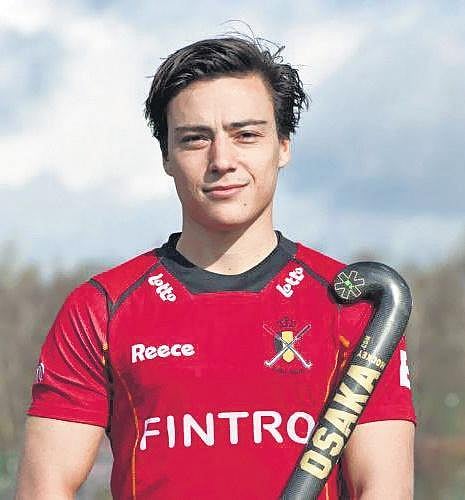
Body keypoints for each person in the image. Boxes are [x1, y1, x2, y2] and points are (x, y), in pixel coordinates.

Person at [16, 35, 415, 499]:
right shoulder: (101, 309)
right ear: (166, 156)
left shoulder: (354, 308)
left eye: (246, 135)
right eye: (195, 139)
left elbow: (382, 488)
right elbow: (45, 488)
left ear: (283, 145)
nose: (222, 161)